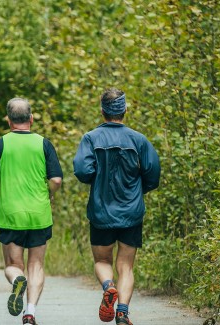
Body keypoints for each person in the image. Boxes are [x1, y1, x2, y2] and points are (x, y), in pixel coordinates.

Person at [73, 88, 160, 325]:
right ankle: (122, 313)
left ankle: (108, 287)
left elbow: (82, 171)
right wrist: (136, 192)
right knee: (126, 266)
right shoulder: (139, 140)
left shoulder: (91, 138)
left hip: (101, 211)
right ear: (125, 111)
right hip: (131, 212)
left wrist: (97, 181)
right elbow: (153, 175)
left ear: (102, 111)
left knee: (102, 261)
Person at [0, 98, 63, 325]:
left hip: (11, 215)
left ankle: (18, 280)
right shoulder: (44, 143)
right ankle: (30, 313)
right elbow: (56, 179)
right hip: (39, 213)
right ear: (31, 118)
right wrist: (49, 193)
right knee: (36, 265)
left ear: (8, 120)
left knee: (13, 266)